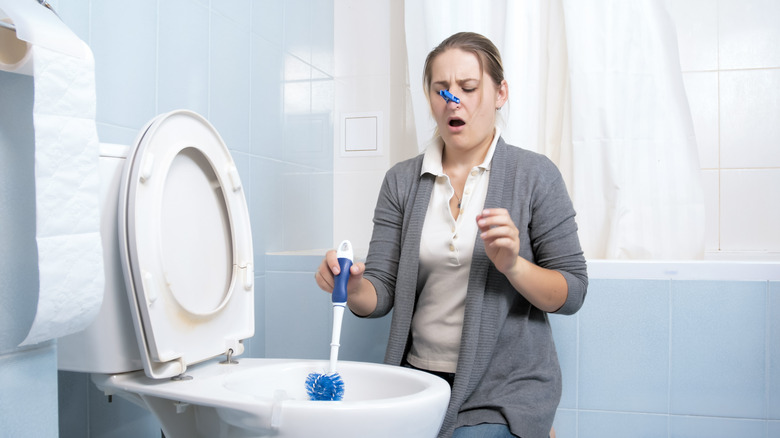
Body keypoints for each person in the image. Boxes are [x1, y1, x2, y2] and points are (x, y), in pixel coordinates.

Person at [315, 32, 587, 438]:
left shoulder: (535, 175)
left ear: (500, 93)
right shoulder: (401, 181)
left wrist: (513, 266)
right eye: (441, 89)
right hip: (419, 382)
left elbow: (573, 293)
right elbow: (382, 290)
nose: (452, 100)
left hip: (505, 389)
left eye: (468, 87)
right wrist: (351, 287)